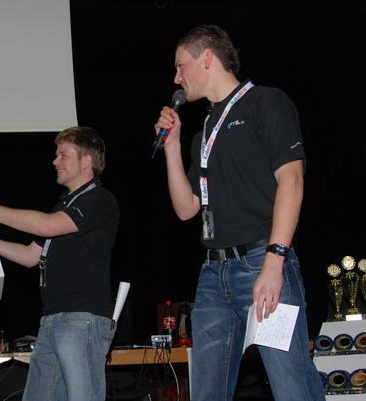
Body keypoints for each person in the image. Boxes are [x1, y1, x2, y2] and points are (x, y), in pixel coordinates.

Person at [154, 25, 325, 401]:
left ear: (207, 58)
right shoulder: (203, 132)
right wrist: (173, 147)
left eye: (181, 66)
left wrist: (274, 262)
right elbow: (186, 209)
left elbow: (292, 181)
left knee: (292, 387)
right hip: (213, 277)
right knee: (206, 393)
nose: (177, 78)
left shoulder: (266, 102)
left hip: (262, 262)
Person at [0, 126, 119, 401]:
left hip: (81, 319)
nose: (55, 161)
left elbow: (46, 226)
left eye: (63, 155)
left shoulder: (99, 200)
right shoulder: (63, 207)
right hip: (52, 320)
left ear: (86, 162)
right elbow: (29, 256)